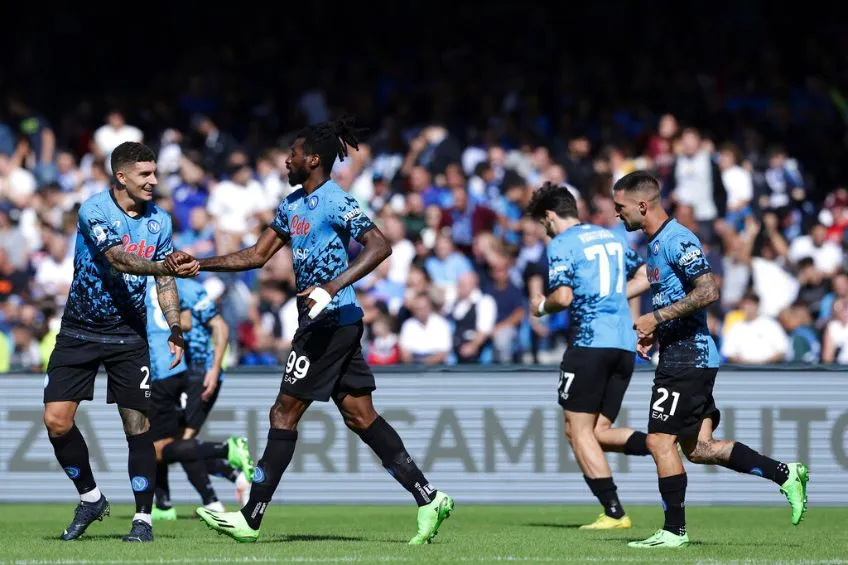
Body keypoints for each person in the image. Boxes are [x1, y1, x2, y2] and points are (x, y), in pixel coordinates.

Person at [167, 117, 454, 544]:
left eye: (294, 153)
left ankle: (251, 517)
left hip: (330, 320)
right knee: (360, 416)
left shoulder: (338, 201)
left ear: (313, 159)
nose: (287, 159)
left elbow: (380, 246)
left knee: (283, 413)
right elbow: (258, 255)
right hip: (324, 320)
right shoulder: (292, 204)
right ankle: (429, 498)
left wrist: (331, 286)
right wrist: (200, 264)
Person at [612, 170, 809, 549]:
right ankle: (785, 473)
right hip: (682, 354)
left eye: (621, 208)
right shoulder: (654, 244)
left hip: (689, 358)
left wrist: (655, 317)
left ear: (642, 204)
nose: (617, 215)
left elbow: (708, 290)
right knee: (699, 449)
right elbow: (676, 297)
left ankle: (674, 531)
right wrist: (655, 330)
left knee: (658, 441)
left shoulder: (677, 238)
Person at [42, 141, 192, 543]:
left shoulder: (160, 221)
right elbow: (119, 258)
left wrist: (175, 326)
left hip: (129, 336)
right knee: (56, 422)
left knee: (137, 427)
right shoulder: (94, 209)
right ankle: (91, 498)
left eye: (155, 172)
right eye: (145, 174)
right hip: (79, 330)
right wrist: (166, 263)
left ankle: (143, 520)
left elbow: (164, 280)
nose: (154, 181)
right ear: (121, 176)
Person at [526, 182, 651, 530]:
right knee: (598, 430)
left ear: (550, 216)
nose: (544, 230)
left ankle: (614, 512)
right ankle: (659, 445)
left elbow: (563, 297)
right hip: (624, 344)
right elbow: (645, 274)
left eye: (543, 223)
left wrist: (540, 307)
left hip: (589, 343)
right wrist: (612, 295)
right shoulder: (611, 236)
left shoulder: (562, 244)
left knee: (575, 429)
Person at [144, 278, 254, 521]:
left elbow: (218, 326)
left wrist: (214, 369)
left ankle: (227, 458)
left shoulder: (185, 290)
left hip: (198, 375)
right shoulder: (163, 288)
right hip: (183, 373)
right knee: (165, 443)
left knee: (176, 445)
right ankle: (170, 504)